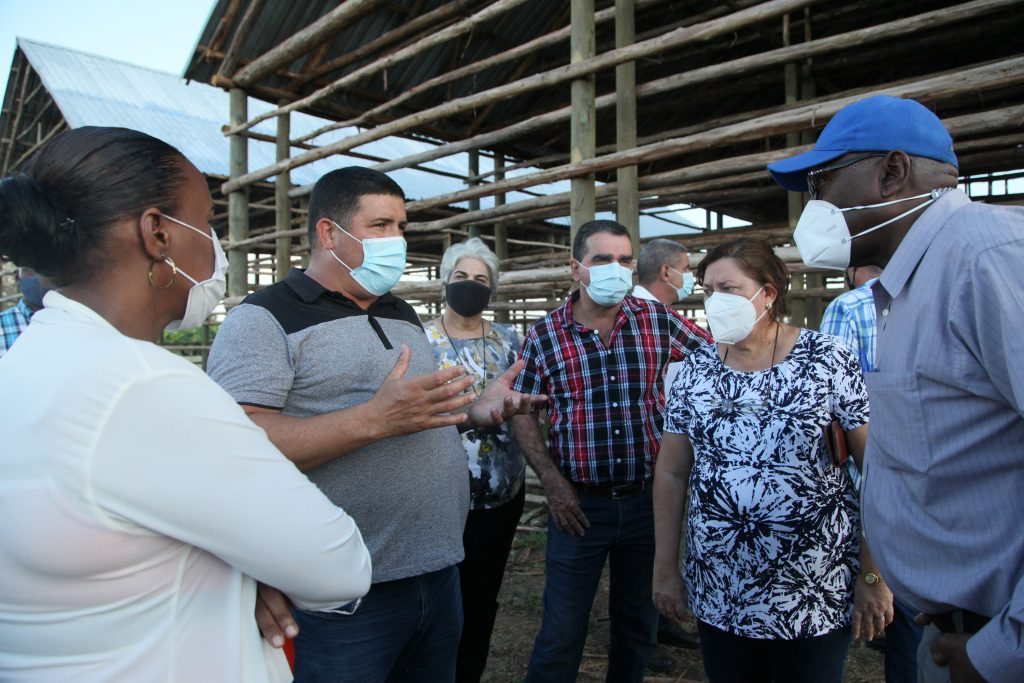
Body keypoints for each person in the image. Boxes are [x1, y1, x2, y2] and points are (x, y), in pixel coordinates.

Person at [0, 126, 372, 682]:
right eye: (205, 222)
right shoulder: (146, 386)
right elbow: (338, 565)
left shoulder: (23, 368)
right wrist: (242, 571)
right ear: (158, 234)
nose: (213, 244)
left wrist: (219, 568)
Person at [206, 167, 541, 683]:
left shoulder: (401, 312)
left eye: (402, 226)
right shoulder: (263, 318)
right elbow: (235, 446)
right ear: (328, 233)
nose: (398, 240)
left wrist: (473, 411)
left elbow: (414, 419)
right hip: (341, 593)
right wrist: (372, 419)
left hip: (437, 568)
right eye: (381, 225)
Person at [768, 94, 1024, 683]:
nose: (815, 207)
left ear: (892, 172)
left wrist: (1003, 652)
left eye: (822, 182)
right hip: (956, 632)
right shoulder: (908, 288)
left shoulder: (986, 260)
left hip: (996, 642)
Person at [652, 237, 893, 683]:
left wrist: (875, 573)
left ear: (768, 292)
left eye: (729, 289)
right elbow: (671, 471)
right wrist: (665, 566)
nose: (715, 301)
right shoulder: (693, 370)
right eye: (707, 290)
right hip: (720, 585)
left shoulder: (827, 359)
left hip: (814, 586)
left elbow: (877, 467)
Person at [512, 220, 712, 683]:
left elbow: (718, 361)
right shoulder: (545, 335)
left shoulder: (657, 320)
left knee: (637, 625)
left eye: (624, 260)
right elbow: (522, 412)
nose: (616, 270)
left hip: (647, 503)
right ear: (576, 269)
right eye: (602, 259)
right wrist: (554, 483)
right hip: (577, 506)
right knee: (562, 630)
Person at [423, 237, 526, 683]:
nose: (470, 285)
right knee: (436, 600)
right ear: (445, 281)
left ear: (493, 288)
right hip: (436, 497)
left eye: (481, 279)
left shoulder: (510, 340)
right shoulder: (420, 339)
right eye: (461, 277)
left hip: (500, 499)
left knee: (482, 598)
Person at [820, 263, 924, 683]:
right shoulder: (944, 293)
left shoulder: (850, 307)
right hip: (931, 486)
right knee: (922, 626)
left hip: (869, 486)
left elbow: (830, 411)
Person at [631, 238, 701, 658]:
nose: (689, 276)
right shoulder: (646, 315)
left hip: (666, 444)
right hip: (651, 450)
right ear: (666, 273)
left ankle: (659, 624)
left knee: (660, 540)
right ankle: (646, 635)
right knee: (649, 546)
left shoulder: (661, 315)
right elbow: (714, 348)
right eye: (686, 268)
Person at [0, 266, 51, 357]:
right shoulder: (1, 325)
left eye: (44, 270)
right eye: (30, 269)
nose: (39, 277)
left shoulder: (79, 320)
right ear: (17, 277)